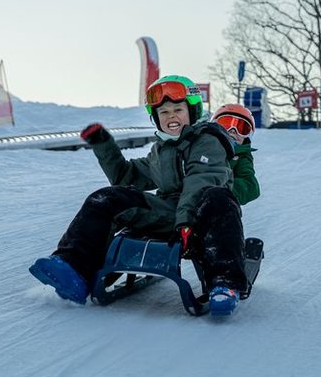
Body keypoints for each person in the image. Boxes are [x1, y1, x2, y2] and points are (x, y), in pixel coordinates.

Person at [29, 75, 247, 316]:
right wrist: (103, 145)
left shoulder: (208, 141)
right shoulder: (161, 150)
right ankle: (74, 269)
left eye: (177, 109)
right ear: (156, 118)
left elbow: (201, 181)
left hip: (202, 220)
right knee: (107, 199)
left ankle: (224, 284)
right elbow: (127, 177)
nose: (171, 116)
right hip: (169, 215)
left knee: (218, 197)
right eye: (163, 112)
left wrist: (185, 221)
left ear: (193, 112)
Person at [211, 104, 260, 206]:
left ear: (247, 136)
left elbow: (251, 187)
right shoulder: (201, 147)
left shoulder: (242, 156)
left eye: (241, 128)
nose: (233, 131)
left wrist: (221, 189)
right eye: (226, 124)